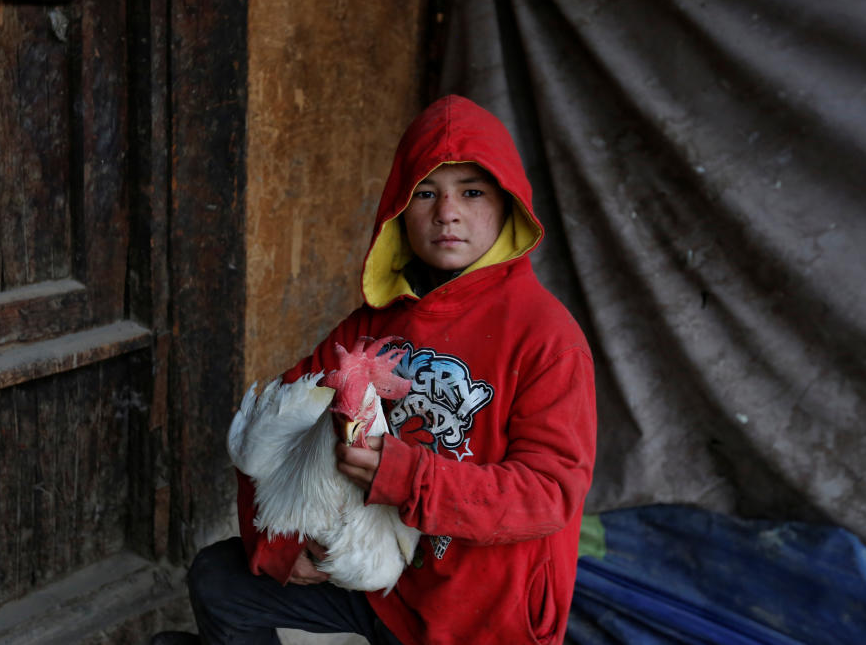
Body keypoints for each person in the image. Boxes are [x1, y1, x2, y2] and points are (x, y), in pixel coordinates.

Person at [154, 95, 597, 645]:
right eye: (425, 193)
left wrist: (409, 476)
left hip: (481, 615)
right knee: (221, 581)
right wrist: (280, 548)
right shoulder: (371, 325)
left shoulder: (548, 339)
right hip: (378, 579)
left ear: (508, 205)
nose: (447, 213)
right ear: (397, 211)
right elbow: (273, 427)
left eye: (472, 192)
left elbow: (549, 493)